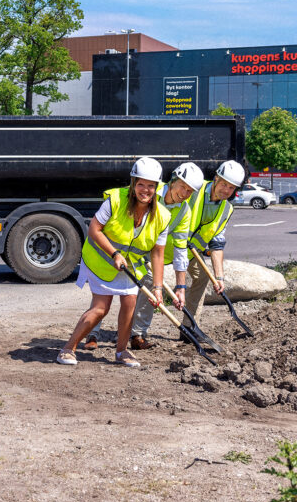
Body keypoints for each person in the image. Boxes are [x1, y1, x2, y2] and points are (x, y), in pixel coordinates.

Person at [56, 157, 171, 368]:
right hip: (100, 260)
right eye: (141, 184)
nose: (145, 190)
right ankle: (68, 348)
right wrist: (114, 253)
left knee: (129, 304)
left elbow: (158, 253)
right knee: (101, 308)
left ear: (157, 187)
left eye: (151, 186)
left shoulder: (163, 216)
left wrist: (157, 288)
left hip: (129, 267)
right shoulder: (115, 200)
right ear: (133, 183)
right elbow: (94, 229)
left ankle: (122, 351)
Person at [83, 162, 203, 350]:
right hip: (118, 244)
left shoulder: (184, 211)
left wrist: (180, 287)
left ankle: (137, 334)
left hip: (142, 252)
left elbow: (180, 249)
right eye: (182, 187)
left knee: (148, 283)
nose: (184, 193)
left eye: (190, 191)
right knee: (104, 290)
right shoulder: (150, 190)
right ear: (173, 181)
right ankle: (92, 333)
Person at [181, 159, 244, 331]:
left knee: (202, 276)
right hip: (169, 246)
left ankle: (189, 327)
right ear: (216, 179)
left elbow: (217, 244)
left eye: (232, 188)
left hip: (190, 253)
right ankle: (137, 333)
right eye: (224, 184)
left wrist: (219, 277)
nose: (227, 190)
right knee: (150, 280)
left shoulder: (226, 209)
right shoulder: (195, 189)